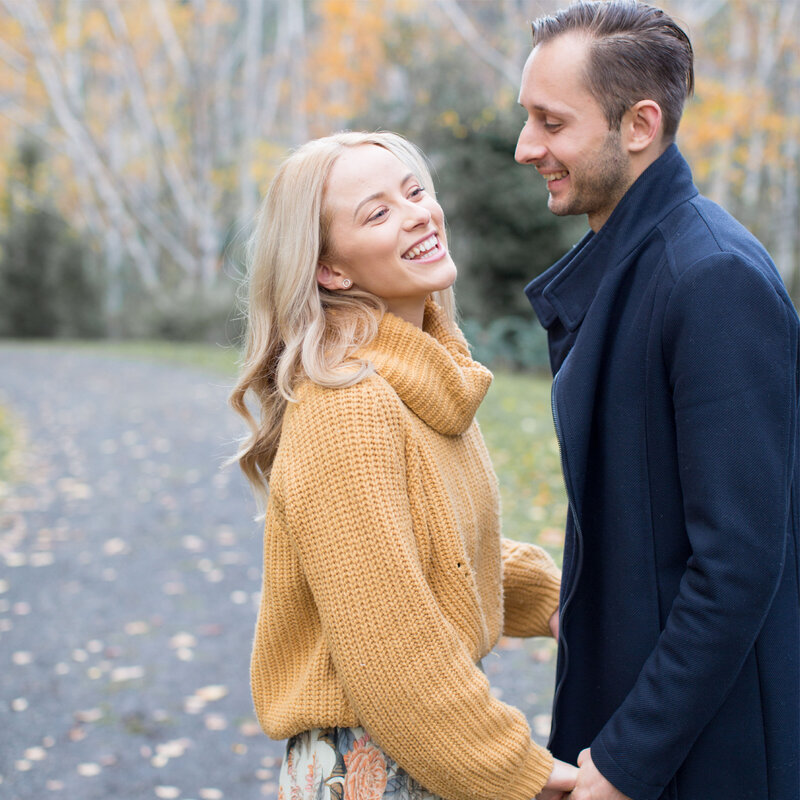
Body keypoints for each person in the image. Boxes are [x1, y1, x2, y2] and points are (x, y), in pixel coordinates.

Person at [229, 130, 578, 800]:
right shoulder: (348, 406)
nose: (417, 212)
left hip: (424, 743)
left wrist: (558, 599)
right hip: (377, 762)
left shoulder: (423, 378)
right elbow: (392, 653)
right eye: (377, 212)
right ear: (331, 270)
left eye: (415, 191)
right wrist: (525, 772)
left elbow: (433, 545)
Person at [515, 2, 800, 799]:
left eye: (551, 122)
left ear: (639, 125)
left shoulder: (712, 279)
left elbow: (738, 565)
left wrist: (629, 760)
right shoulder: (632, 267)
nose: (526, 147)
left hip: (710, 754)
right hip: (636, 716)